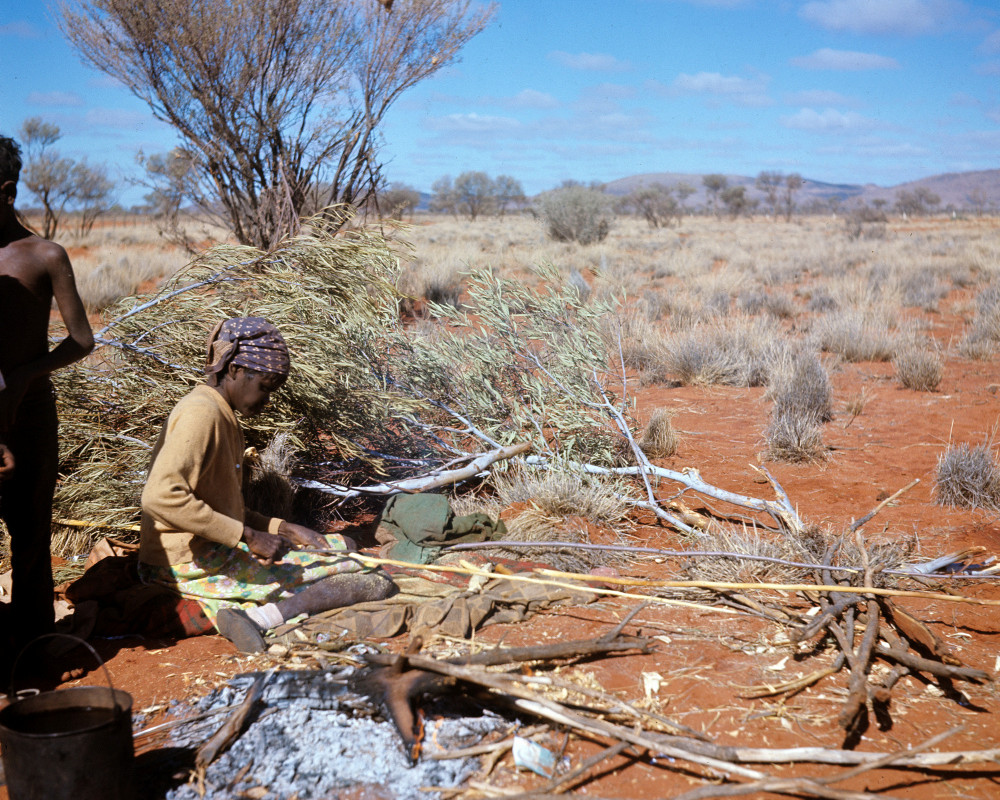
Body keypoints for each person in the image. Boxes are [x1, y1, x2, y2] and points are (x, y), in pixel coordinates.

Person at [139, 317, 394, 652]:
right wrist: (247, 537)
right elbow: (159, 497)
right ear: (233, 370)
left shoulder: (223, 414)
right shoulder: (202, 414)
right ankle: (262, 618)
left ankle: (251, 609)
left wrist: (283, 528)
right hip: (184, 564)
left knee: (344, 545)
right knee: (370, 576)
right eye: (264, 387)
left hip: (213, 550)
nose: (267, 400)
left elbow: (220, 507)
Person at [0, 135, 95, 660]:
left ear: (7, 191)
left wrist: (25, 377)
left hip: (30, 414)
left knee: (31, 531)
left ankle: (33, 646)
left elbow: (82, 339)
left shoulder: (43, 256)